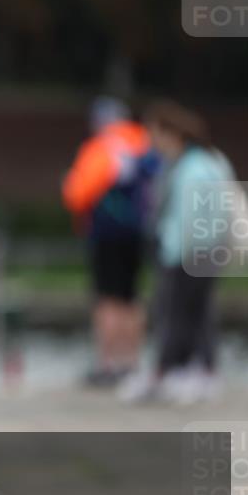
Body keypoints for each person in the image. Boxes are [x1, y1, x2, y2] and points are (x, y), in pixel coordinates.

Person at [118, 100, 236, 405]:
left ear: (171, 133)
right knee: (198, 314)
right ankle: (196, 369)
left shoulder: (191, 168)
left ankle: (171, 370)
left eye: (154, 134)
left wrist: (176, 252)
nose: (151, 142)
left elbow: (188, 220)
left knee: (178, 314)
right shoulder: (213, 160)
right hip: (210, 251)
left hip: (188, 253)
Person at [62, 96, 159, 386]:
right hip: (137, 233)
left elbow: (76, 194)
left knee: (107, 299)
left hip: (106, 235)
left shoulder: (100, 148)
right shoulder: (144, 145)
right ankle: (132, 362)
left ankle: (108, 364)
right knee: (131, 298)